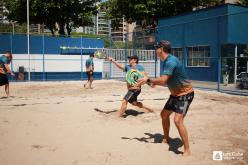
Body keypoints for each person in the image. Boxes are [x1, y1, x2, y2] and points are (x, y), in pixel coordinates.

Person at [137, 40, 194, 156]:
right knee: (164, 115)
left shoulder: (171, 61)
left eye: (156, 48)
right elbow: (164, 82)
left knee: (177, 121)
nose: (155, 50)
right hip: (175, 95)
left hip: (185, 94)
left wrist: (148, 80)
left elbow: (163, 80)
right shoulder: (167, 61)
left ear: (161, 49)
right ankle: (166, 138)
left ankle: (187, 150)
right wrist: (151, 82)